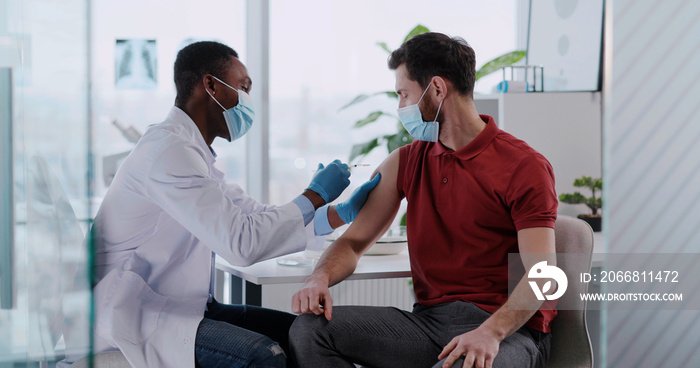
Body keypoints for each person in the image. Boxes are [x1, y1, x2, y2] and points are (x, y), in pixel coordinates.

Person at [73, 41, 380, 368]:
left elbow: (253, 216)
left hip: (182, 306)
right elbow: (241, 244)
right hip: (132, 314)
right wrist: (314, 195)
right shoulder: (168, 152)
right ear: (211, 86)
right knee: (265, 355)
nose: (248, 100)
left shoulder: (193, 154)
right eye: (243, 87)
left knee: (304, 332)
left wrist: (334, 213)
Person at [289, 32, 559, 368]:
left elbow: (542, 276)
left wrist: (490, 332)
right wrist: (320, 277)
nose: (400, 107)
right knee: (310, 330)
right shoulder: (406, 161)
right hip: (429, 324)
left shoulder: (522, 165)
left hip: (506, 332)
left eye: (403, 94)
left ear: (437, 89)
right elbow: (353, 243)